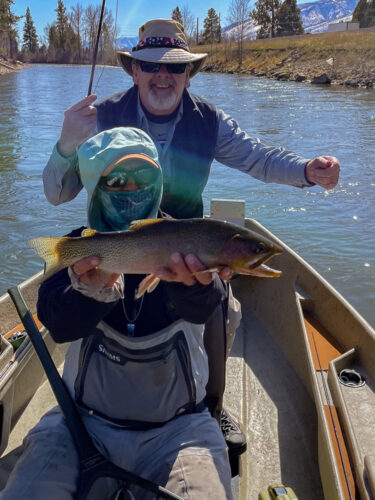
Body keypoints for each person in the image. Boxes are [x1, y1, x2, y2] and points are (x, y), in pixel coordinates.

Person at [42, 18, 340, 452]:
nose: (163, 75)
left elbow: (257, 157)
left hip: (192, 249)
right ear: (134, 70)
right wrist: (67, 144)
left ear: (188, 74)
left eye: (175, 68)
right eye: (151, 65)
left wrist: (306, 172)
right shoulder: (99, 116)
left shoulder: (209, 121)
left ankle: (211, 409)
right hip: (116, 240)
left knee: (221, 308)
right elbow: (57, 194)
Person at [0, 127, 232, 500]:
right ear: (95, 188)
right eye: (117, 181)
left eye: (144, 178)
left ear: (159, 180)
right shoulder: (77, 248)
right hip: (81, 423)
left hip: (180, 430)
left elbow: (210, 307)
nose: (131, 190)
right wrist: (87, 288)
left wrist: (193, 285)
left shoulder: (186, 241)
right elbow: (57, 325)